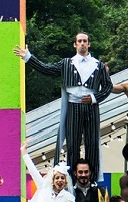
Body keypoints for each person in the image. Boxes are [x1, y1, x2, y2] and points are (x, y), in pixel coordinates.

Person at [14, 33, 113, 177]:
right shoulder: (66, 63)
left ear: (89, 44)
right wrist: (28, 57)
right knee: (72, 144)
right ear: (75, 44)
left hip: (91, 107)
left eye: (85, 41)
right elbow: (47, 69)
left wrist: (94, 98)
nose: (82, 44)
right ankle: (72, 180)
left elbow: (107, 87)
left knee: (92, 143)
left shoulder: (99, 65)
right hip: (73, 106)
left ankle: (92, 181)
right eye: (79, 41)